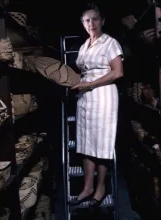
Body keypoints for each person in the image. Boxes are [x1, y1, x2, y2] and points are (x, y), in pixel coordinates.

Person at [68, 2, 124, 208]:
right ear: (83, 23)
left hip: (103, 95)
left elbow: (118, 72)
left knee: (101, 144)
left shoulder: (110, 43)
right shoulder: (84, 45)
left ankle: (100, 189)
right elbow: (83, 72)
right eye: (86, 20)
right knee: (85, 143)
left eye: (94, 19)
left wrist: (90, 83)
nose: (91, 23)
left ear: (102, 21)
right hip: (85, 97)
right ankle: (87, 188)